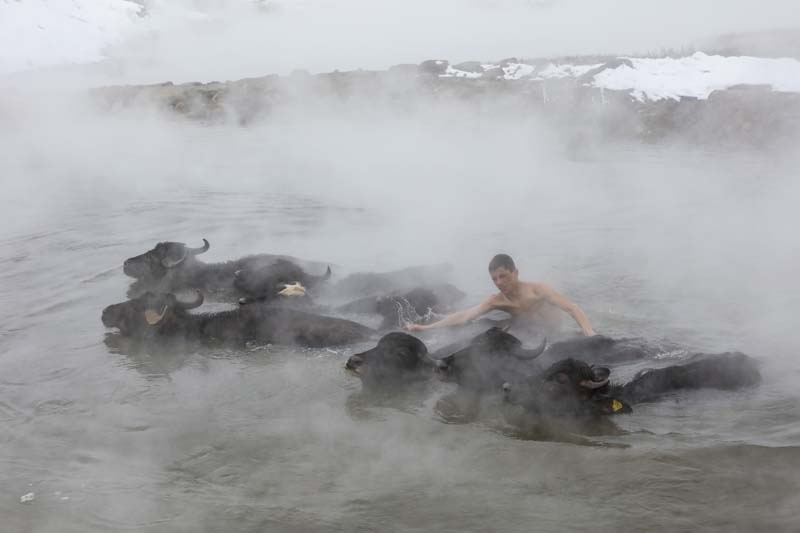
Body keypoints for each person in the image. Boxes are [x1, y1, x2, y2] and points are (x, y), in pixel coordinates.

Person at [406, 254, 596, 336]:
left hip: (555, 332)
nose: (499, 283)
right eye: (494, 279)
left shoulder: (538, 290)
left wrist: (589, 332)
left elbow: (572, 308)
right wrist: (425, 328)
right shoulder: (496, 301)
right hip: (530, 331)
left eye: (503, 276)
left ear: (515, 272)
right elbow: (464, 316)